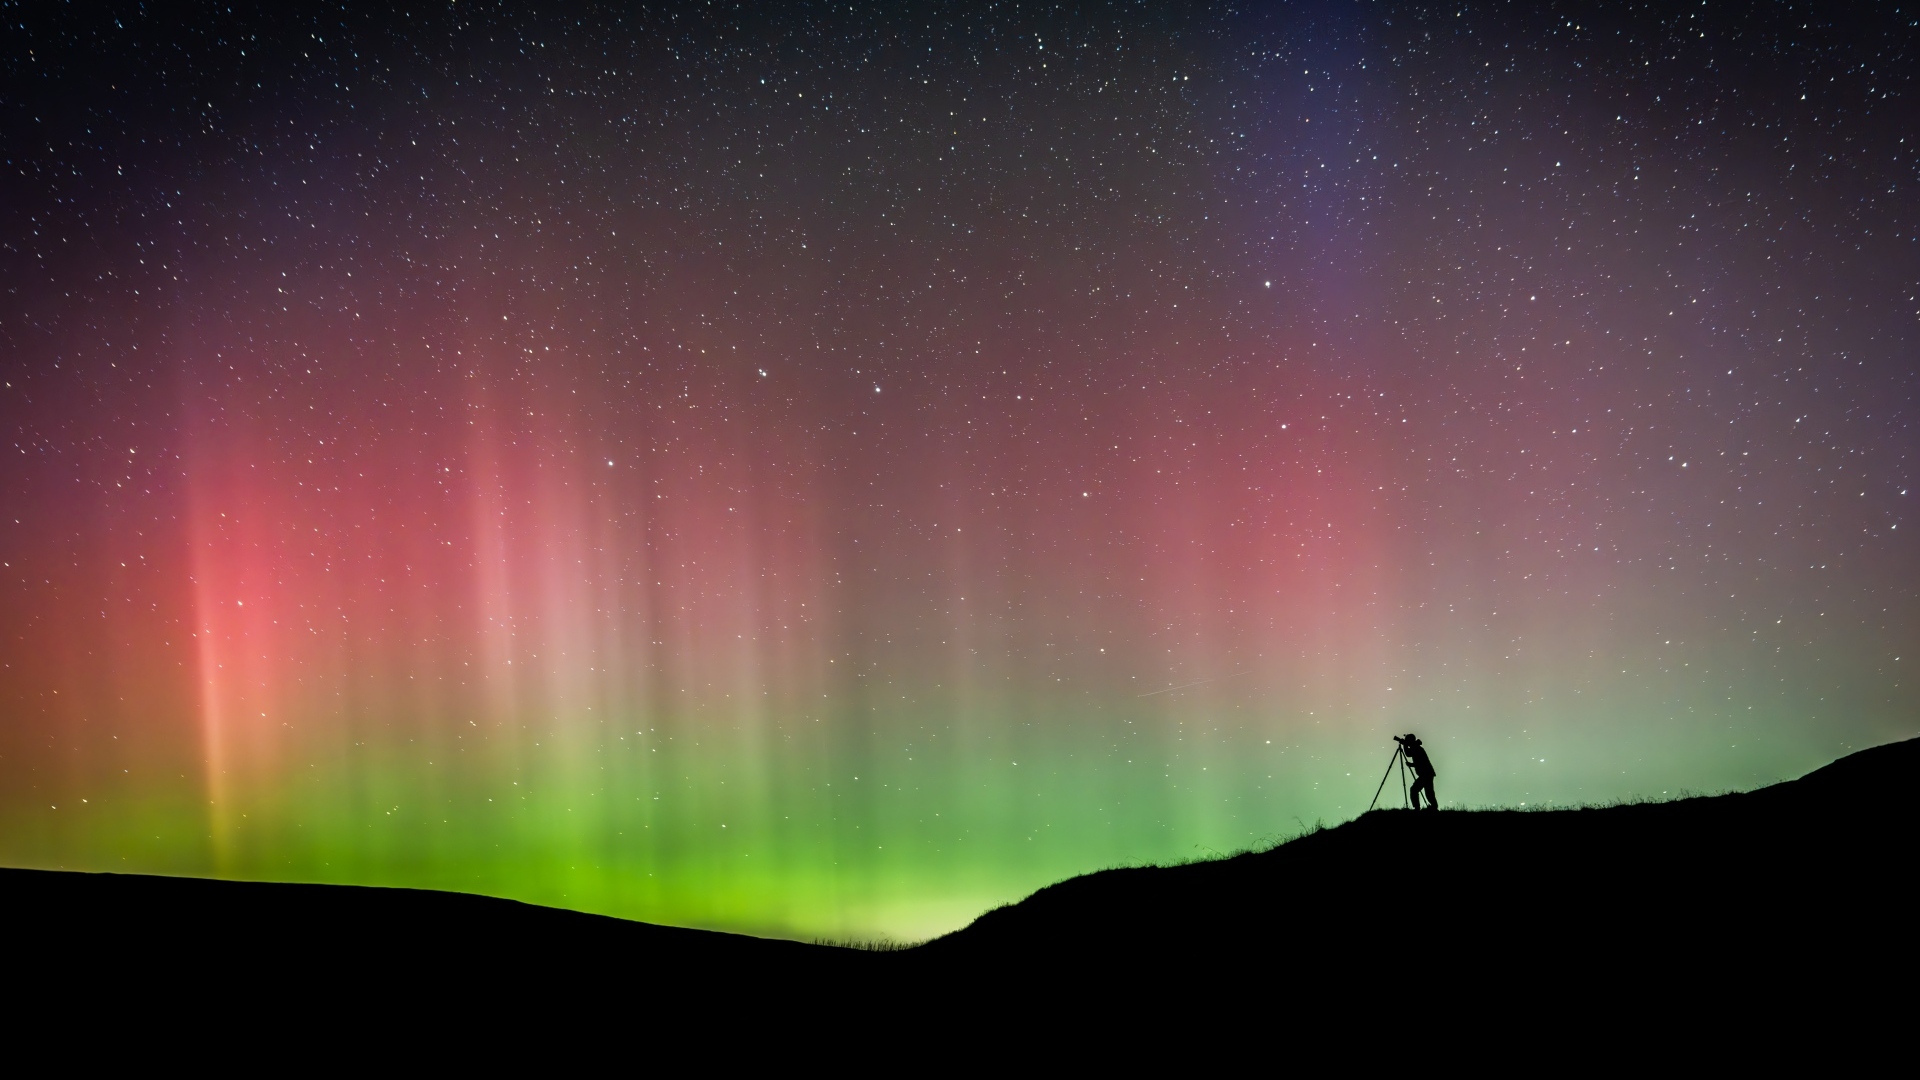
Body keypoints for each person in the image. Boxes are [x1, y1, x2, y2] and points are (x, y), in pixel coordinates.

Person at [1400, 733, 1438, 811]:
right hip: (1427, 774)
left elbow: (1418, 760)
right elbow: (1409, 754)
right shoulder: (1416, 747)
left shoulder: (1417, 748)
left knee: (1415, 790)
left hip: (1426, 774)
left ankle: (1417, 808)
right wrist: (1405, 745)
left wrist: (1404, 745)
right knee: (1429, 791)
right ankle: (1434, 807)